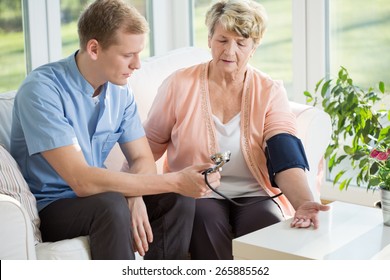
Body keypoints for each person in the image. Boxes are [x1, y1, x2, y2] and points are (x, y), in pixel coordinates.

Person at [10, 0, 219, 260]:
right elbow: (81, 180)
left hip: (103, 196)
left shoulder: (120, 91)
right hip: (55, 206)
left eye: (139, 53)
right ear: (94, 49)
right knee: (111, 204)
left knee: (175, 198)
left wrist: (135, 195)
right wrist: (174, 179)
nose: (137, 65)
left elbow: (142, 158)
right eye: (128, 54)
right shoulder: (42, 90)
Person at [143, 0, 330, 260]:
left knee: (267, 224)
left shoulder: (269, 91)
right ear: (209, 39)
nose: (230, 51)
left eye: (241, 43)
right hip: (199, 193)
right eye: (222, 40)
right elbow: (147, 147)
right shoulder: (179, 85)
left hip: (255, 192)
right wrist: (130, 189)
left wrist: (303, 203)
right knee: (205, 223)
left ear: (254, 47)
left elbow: (285, 153)